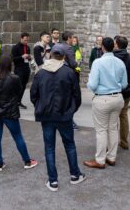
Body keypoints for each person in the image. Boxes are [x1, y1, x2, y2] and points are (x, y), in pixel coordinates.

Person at [30, 45, 85, 191]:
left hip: (48, 115)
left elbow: (33, 95)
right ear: (63, 57)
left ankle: (53, 180)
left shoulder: (41, 73)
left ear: (51, 55)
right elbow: (77, 95)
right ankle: (75, 175)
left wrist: (40, 106)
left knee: (49, 147)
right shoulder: (69, 73)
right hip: (63, 114)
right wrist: (71, 109)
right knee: (69, 145)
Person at [0, 53, 39, 172]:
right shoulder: (14, 78)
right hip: (9, 110)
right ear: (10, 65)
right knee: (17, 136)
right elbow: (19, 91)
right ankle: (27, 161)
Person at [85, 37, 127, 170]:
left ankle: (100, 160)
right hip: (117, 98)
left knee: (101, 130)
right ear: (113, 47)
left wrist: (90, 84)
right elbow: (124, 84)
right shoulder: (120, 62)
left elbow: (92, 85)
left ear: (102, 47)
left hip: (102, 99)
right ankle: (111, 157)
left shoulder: (98, 62)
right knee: (113, 128)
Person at [112, 35, 130, 150]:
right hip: (126, 91)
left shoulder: (112, 58)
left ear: (117, 45)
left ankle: (111, 143)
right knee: (123, 116)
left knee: (112, 118)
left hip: (114, 91)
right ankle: (124, 142)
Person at [10, 33, 32, 109]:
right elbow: (13, 59)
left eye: (27, 40)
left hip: (26, 69)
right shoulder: (15, 47)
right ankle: (14, 102)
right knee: (18, 86)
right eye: (25, 40)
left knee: (23, 86)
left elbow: (28, 59)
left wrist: (29, 57)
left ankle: (19, 101)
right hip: (19, 69)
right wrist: (21, 57)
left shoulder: (28, 47)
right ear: (21, 38)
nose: (26, 42)